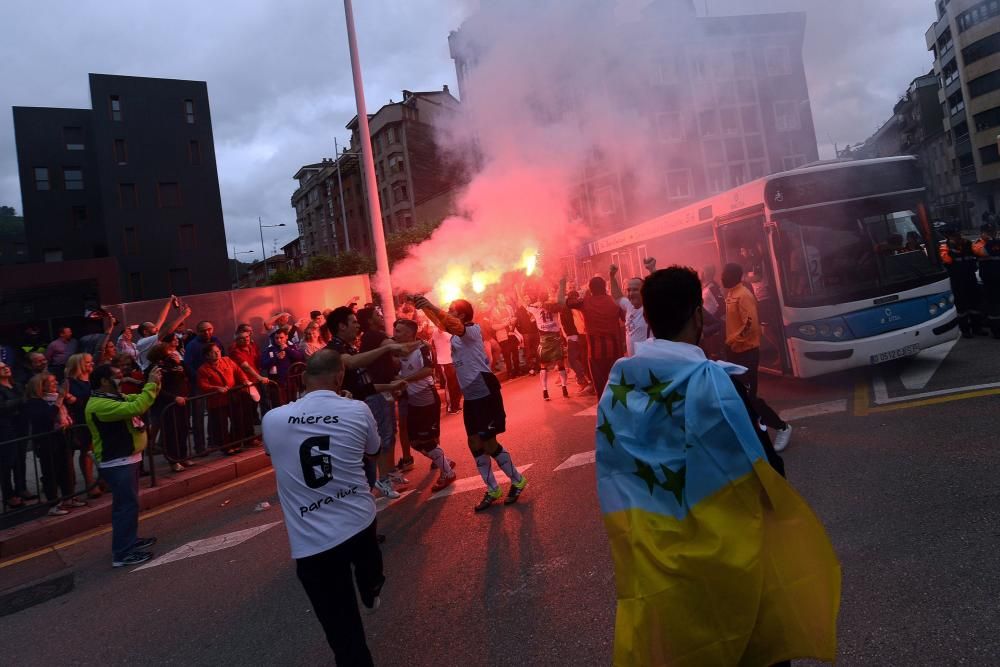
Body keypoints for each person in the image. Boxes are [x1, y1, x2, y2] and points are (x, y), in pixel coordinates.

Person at [594, 265, 840, 666]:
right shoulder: (714, 383)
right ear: (696, 316)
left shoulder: (618, 389)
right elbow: (767, 467)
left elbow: (616, 476)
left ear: (649, 319)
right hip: (732, 562)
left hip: (662, 568)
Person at [262, 350, 385, 665]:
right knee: (371, 572)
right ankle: (371, 589)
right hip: (359, 522)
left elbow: (272, 451)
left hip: (313, 544)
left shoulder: (273, 419)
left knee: (344, 635)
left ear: (303, 378)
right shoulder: (357, 409)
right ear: (339, 377)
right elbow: (374, 450)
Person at [414, 295, 528, 511]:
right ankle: (492, 489)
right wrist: (424, 306)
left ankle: (517, 480)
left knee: (489, 443)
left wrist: (429, 305)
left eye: (452, 310)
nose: (448, 313)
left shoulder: (472, 330)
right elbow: (442, 323)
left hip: (485, 392)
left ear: (462, 315)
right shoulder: (455, 334)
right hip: (472, 397)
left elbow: (450, 323)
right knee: (475, 443)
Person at [324, 307, 415, 499]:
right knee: (363, 450)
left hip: (359, 406)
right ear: (341, 326)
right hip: (344, 413)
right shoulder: (334, 349)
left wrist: (389, 386)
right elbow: (350, 363)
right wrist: (387, 347)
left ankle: (378, 481)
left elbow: (364, 387)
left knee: (379, 441)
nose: (358, 325)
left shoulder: (350, 347)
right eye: (353, 322)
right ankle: (371, 486)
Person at [85, 363, 161, 568]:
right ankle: (122, 553)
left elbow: (139, 400)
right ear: (103, 381)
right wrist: (150, 386)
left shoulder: (113, 397)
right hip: (116, 462)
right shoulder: (98, 404)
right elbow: (137, 407)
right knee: (126, 507)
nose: (123, 379)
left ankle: (129, 540)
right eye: (118, 376)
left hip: (127, 459)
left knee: (128, 505)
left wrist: (154, 384)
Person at [722, 263, 792, 451]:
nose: (722, 277)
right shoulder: (730, 294)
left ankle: (782, 427)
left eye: (726, 274)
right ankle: (752, 436)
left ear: (735, 276)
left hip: (746, 353)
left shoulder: (743, 295)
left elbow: (750, 324)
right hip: (735, 352)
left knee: (750, 397)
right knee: (738, 396)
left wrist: (733, 339)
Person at [394, 319, 457, 490]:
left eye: (399, 331)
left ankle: (447, 473)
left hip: (426, 399)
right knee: (415, 442)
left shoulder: (422, 347)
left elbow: (428, 370)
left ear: (409, 333)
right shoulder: (398, 350)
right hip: (413, 401)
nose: (395, 334)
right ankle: (444, 461)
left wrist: (403, 380)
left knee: (427, 441)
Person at [559, 275, 623, 395]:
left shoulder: (584, 302)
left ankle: (604, 410)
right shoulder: (614, 301)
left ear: (591, 289)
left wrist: (562, 283)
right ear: (604, 287)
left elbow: (561, 302)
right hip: (615, 351)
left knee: (601, 387)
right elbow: (625, 319)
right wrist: (614, 277)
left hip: (595, 352)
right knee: (617, 386)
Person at [24, 373, 77, 515]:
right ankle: (53, 504)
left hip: (62, 438)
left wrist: (65, 397)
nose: (55, 384)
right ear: (41, 386)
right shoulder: (34, 402)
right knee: (51, 473)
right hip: (47, 442)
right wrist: (60, 398)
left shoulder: (54, 397)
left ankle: (68, 498)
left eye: (56, 381)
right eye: (52, 382)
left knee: (66, 469)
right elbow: (48, 417)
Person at [197, 342, 254, 456]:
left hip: (232, 396)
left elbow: (238, 371)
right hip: (217, 400)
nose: (216, 354)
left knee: (238, 420)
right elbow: (203, 385)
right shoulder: (203, 369)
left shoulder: (227, 360)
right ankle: (226, 447)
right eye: (213, 352)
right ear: (207, 355)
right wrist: (216, 388)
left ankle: (236, 443)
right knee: (221, 424)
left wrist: (245, 380)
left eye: (217, 351)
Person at [146, 344, 193, 472]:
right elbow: (157, 390)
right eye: (169, 351)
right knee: (171, 433)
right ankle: (173, 460)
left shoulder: (175, 364)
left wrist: (180, 363)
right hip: (168, 404)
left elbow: (190, 375)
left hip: (182, 402)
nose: (173, 353)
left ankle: (183, 457)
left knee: (183, 430)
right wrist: (173, 398)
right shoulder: (155, 368)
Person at [520, 286, 569, 400]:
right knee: (561, 364)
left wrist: (519, 290)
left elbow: (524, 304)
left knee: (543, 366)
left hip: (544, 340)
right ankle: (564, 388)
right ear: (547, 298)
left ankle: (545, 391)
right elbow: (560, 303)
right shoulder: (555, 307)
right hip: (556, 338)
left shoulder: (535, 309)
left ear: (539, 299)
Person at [64, 353, 99, 498]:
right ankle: (89, 483)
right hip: (80, 421)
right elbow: (68, 401)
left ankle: (102, 480)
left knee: (97, 450)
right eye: (87, 362)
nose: (91, 364)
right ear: (78, 364)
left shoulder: (94, 379)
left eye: (92, 361)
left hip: (97, 418)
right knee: (86, 451)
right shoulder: (69, 382)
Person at [609, 256, 657, 357]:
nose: (631, 293)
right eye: (629, 290)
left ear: (644, 290)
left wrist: (652, 270)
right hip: (634, 362)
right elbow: (617, 296)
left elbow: (658, 289)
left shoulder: (651, 305)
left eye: (635, 289)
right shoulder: (629, 305)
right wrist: (612, 276)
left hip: (649, 361)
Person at [939, 226, 982, 338]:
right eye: (954, 235)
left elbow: (977, 254)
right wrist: (953, 247)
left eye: (958, 234)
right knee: (962, 308)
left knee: (975, 305)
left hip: (970, 278)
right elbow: (946, 260)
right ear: (949, 236)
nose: (958, 237)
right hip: (957, 281)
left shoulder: (968, 244)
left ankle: (977, 328)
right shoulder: (945, 247)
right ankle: (965, 330)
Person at [0, 361, 29, 509]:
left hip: (20, 426)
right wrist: (19, 401)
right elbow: (3, 407)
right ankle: (9, 494)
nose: (5, 368)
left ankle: (21, 489)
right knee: (7, 462)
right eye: (1, 368)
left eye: (6, 366)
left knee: (20, 459)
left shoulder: (16, 385)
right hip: (6, 429)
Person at [135, 299, 192, 372]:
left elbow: (161, 319)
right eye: (153, 327)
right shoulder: (142, 342)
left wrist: (169, 302)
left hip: (157, 368)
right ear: (145, 332)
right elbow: (168, 331)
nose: (156, 328)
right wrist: (183, 316)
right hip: (149, 370)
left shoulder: (152, 336)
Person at [261, 328, 305, 406]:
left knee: (292, 404)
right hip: (276, 382)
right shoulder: (269, 349)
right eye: (276, 338)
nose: (279, 340)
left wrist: (287, 349)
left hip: (291, 381)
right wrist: (276, 358)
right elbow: (263, 364)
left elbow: (300, 357)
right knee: (279, 405)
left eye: (281, 338)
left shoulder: (291, 346)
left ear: (286, 337)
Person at [973, 222, 1000, 338]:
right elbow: (984, 252)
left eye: (993, 231)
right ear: (982, 233)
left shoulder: (997, 242)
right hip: (989, 281)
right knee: (994, 306)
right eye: (988, 232)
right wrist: (990, 241)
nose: (992, 234)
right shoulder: (977, 244)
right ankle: (996, 330)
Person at [430, 323, 462, 414]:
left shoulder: (449, 331)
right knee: (451, 385)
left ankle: (457, 404)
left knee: (457, 384)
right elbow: (440, 327)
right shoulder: (437, 332)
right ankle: (452, 407)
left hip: (454, 360)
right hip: (444, 362)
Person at [489, 294, 521, 378]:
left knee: (515, 352)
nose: (504, 298)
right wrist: (505, 324)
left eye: (503, 296)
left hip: (512, 333)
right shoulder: (494, 311)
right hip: (502, 336)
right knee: (507, 355)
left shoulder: (509, 307)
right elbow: (493, 326)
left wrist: (513, 321)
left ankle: (517, 370)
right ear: (498, 299)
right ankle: (510, 373)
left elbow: (514, 318)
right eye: (502, 297)